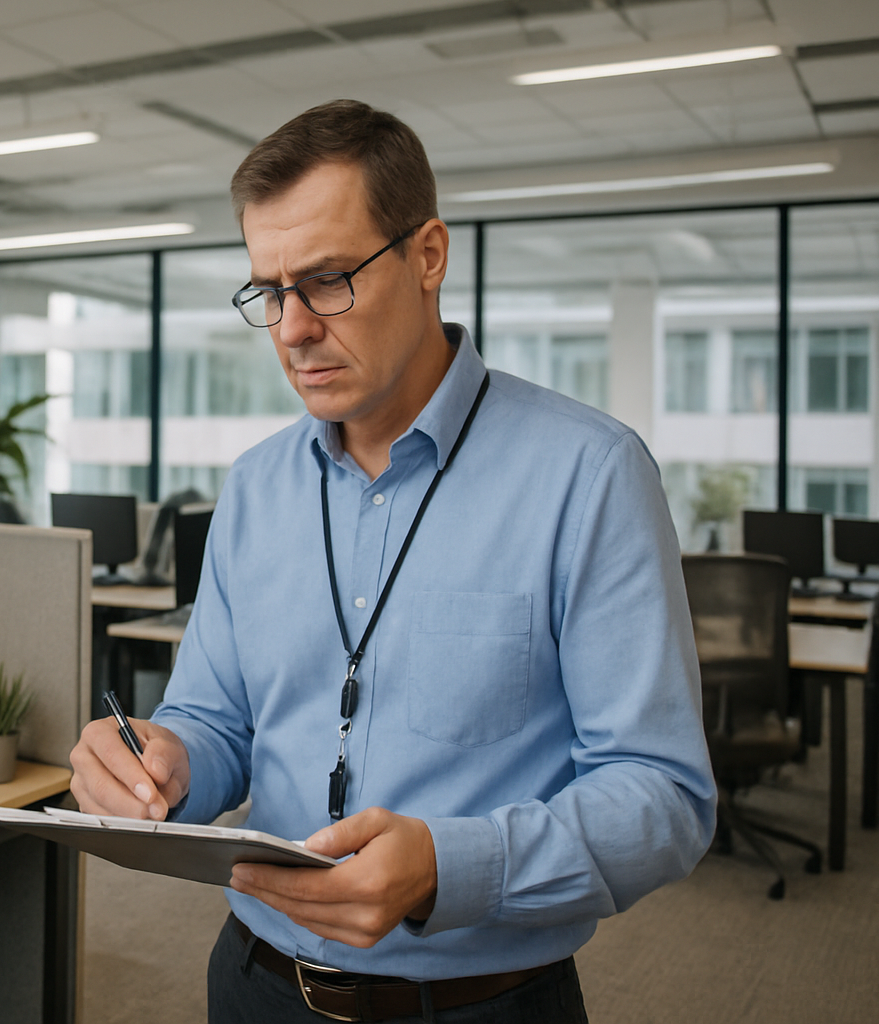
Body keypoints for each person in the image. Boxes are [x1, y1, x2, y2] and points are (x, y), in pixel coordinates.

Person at [69, 99, 716, 1023]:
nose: (292, 328)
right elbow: (216, 723)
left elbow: (663, 795)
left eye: (328, 280)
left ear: (428, 256)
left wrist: (451, 868)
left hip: (477, 1004)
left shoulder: (589, 475)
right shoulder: (255, 488)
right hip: (253, 984)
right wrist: (162, 761)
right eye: (270, 292)